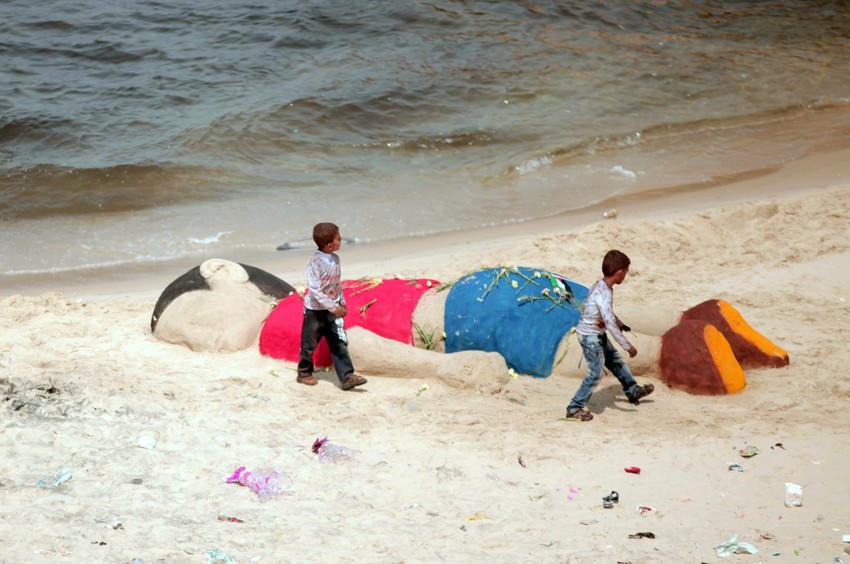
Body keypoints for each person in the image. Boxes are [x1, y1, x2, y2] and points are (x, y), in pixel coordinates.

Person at [566, 250, 653, 421]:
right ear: (620, 272)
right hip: (591, 338)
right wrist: (627, 346)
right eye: (626, 273)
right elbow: (609, 323)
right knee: (595, 373)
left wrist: (620, 323)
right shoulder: (603, 293)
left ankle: (633, 391)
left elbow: (606, 314)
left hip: (596, 334)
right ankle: (574, 407)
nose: (625, 277)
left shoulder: (601, 286)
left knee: (616, 362)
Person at [296, 222, 367, 391]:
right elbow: (314, 290)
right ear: (329, 245)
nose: (341, 240)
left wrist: (341, 301)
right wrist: (332, 307)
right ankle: (304, 373)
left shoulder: (335, 259)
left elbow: (337, 284)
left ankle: (347, 377)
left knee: (338, 342)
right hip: (315, 312)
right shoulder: (315, 263)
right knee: (309, 344)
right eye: (338, 239)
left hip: (332, 311)